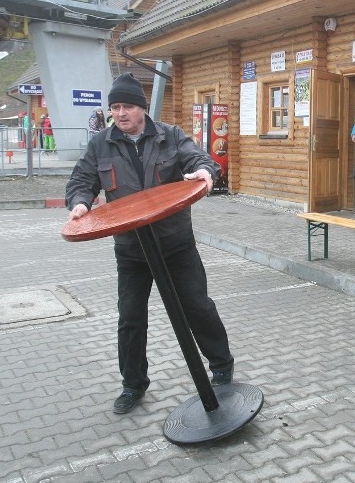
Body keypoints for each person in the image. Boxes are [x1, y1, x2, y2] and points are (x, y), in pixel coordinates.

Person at [65, 72, 234, 415]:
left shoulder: (169, 136)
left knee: (197, 307)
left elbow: (198, 159)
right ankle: (133, 385)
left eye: (127, 105)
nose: (121, 113)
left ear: (142, 108)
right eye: (115, 107)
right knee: (130, 318)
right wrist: (80, 202)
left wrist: (205, 171)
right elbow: (82, 180)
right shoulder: (100, 143)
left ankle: (221, 364)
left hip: (175, 244)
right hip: (131, 251)